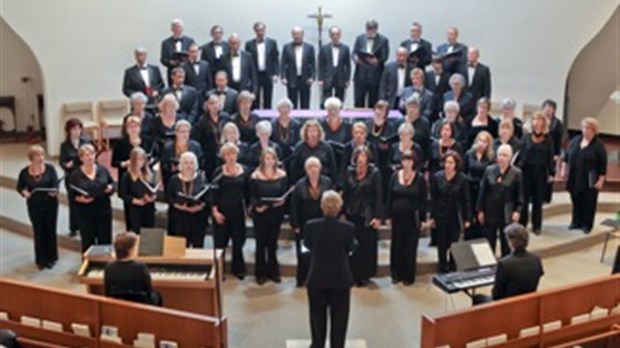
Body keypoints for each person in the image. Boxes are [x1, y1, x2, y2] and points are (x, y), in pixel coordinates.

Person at [304, 190, 356, 348]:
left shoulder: (311, 226)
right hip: (340, 278)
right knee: (340, 319)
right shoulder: (348, 228)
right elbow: (350, 248)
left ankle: (318, 344)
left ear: (322, 207)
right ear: (339, 207)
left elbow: (307, 245)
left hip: (317, 277)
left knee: (317, 317)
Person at [342, 146, 383, 286]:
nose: (361, 160)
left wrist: (378, 217)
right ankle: (352, 274)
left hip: (367, 214)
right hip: (351, 213)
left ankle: (365, 275)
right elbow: (345, 192)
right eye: (359, 156)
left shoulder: (375, 172)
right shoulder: (349, 171)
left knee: (366, 246)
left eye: (364, 156)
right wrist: (342, 213)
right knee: (352, 246)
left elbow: (378, 195)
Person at [290, 157, 334, 287]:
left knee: (322, 253)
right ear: (306, 170)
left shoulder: (327, 182)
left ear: (320, 168)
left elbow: (332, 202)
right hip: (304, 225)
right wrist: (295, 224)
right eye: (310, 167)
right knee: (304, 253)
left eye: (315, 166)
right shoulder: (299, 185)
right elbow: (294, 206)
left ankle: (321, 278)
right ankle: (302, 278)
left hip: (323, 224)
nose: (313, 169)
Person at [386, 150, 427, 285]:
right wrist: (388, 216)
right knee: (396, 245)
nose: (407, 163)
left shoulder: (420, 178)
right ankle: (396, 274)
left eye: (409, 160)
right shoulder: (394, 176)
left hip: (412, 218)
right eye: (404, 160)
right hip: (396, 216)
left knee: (410, 247)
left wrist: (422, 219)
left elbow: (423, 200)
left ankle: (408, 275)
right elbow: (389, 197)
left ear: (414, 162)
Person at [249, 148, 288, 285]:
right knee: (261, 243)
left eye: (272, 158)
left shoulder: (282, 175)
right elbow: (252, 196)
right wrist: (257, 206)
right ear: (262, 160)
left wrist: (276, 204)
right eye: (267, 158)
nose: (270, 161)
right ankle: (260, 273)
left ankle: (273, 272)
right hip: (260, 213)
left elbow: (283, 196)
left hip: (275, 213)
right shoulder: (255, 176)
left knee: (272, 243)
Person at [561, 117, 607, 234]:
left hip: (590, 178)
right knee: (575, 199)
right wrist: (563, 170)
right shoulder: (575, 140)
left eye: (588, 128)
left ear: (594, 130)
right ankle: (576, 221)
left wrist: (601, 180)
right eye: (584, 127)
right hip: (574, 176)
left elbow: (603, 165)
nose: (585, 130)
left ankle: (587, 224)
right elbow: (566, 157)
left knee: (588, 201)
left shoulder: (598, 146)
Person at [112, 116, 158, 231]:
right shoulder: (121, 143)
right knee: (132, 217)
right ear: (126, 129)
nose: (133, 129)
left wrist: (150, 161)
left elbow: (156, 155)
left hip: (144, 174)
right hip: (129, 179)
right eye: (130, 126)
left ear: (140, 128)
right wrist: (124, 164)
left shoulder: (147, 140)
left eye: (136, 126)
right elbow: (114, 162)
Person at [17, 145, 59, 269]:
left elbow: (55, 184)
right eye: (37, 156)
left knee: (50, 230)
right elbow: (19, 187)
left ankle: (51, 258)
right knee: (38, 231)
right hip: (34, 206)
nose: (40, 158)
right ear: (31, 158)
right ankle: (41, 259)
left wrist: (55, 191)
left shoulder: (50, 169)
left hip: (50, 204)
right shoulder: (24, 172)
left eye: (42, 155)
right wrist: (24, 192)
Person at [477, 144, 523, 257]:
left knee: (506, 241)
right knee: (489, 240)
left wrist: (518, 210)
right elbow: (482, 191)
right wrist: (480, 210)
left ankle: (505, 264)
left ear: (510, 157)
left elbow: (520, 194)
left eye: (505, 155)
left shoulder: (517, 173)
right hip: (490, 209)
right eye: (500, 155)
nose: (502, 158)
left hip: (506, 211)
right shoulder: (489, 170)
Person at [211, 143, 249, 280]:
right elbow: (213, 193)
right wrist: (215, 212)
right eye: (228, 154)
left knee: (238, 241)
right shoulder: (218, 172)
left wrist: (248, 209)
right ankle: (219, 271)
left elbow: (247, 191)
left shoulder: (244, 170)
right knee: (220, 243)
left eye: (233, 153)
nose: (231, 157)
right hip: (222, 210)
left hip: (238, 210)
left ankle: (238, 269)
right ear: (223, 156)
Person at [429, 151, 471, 273]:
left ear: (456, 164)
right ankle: (442, 268)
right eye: (446, 162)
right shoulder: (437, 177)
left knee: (454, 243)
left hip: (455, 215)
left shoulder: (462, 178)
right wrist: (432, 217)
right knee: (441, 244)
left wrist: (467, 218)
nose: (448, 165)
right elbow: (433, 198)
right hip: (441, 215)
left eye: (451, 162)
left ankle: (453, 268)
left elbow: (466, 199)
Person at [68, 144, 115, 252]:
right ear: (81, 158)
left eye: (92, 154)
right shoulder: (75, 175)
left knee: (105, 241)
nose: (90, 157)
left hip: (103, 211)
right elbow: (72, 194)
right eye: (86, 155)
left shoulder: (102, 170)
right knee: (88, 242)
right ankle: (90, 266)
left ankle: (105, 265)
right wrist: (81, 199)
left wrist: (110, 188)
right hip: (86, 213)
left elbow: (112, 183)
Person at [517, 112, 555, 234]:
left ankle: (536, 226)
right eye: (534, 120)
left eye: (539, 120)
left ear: (543, 123)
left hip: (540, 172)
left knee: (538, 200)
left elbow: (550, 157)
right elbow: (521, 155)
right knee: (524, 199)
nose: (537, 122)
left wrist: (551, 173)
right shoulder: (526, 137)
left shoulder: (548, 139)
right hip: (526, 171)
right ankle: (522, 224)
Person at [104, 232, 161, 306]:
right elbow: (149, 291)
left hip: (117, 306)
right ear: (130, 250)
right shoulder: (140, 267)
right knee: (158, 296)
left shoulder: (109, 267)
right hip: (140, 306)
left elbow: (107, 293)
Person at [166, 151, 209, 247]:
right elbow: (169, 197)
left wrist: (200, 206)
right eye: (186, 163)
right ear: (181, 164)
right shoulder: (174, 179)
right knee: (180, 247)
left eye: (191, 163)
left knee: (198, 246)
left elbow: (207, 197)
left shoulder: (201, 178)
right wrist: (181, 207)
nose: (189, 166)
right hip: (179, 218)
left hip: (197, 218)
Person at [491, 223, 544, 300]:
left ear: (510, 242)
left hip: (507, 305)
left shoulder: (504, 263)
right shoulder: (536, 259)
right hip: (529, 301)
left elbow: (496, 295)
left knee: (478, 298)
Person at [59, 118, 91, 237]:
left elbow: (93, 158)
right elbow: (61, 162)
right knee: (73, 202)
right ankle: (73, 226)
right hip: (72, 177)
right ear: (69, 130)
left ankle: (85, 224)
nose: (77, 131)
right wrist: (67, 165)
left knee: (86, 200)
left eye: (79, 128)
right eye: (74, 129)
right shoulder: (64, 145)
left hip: (85, 175)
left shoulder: (86, 141)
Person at [463, 131, 495, 239]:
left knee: (481, 216)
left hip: (483, 190)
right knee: (469, 214)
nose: (481, 143)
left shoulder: (490, 158)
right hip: (470, 188)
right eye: (480, 140)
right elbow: (464, 170)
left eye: (484, 141)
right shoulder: (469, 154)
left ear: (488, 144)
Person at [119, 147, 158, 235]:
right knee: (137, 233)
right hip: (135, 209)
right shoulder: (127, 176)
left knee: (149, 233)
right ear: (133, 160)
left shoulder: (150, 173)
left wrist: (153, 197)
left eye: (143, 158)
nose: (141, 161)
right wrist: (135, 201)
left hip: (149, 207)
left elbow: (153, 189)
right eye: (138, 159)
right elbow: (122, 194)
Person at [191, 95, 231, 179]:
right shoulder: (202, 121)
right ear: (208, 106)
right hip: (209, 155)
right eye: (212, 103)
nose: (215, 106)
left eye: (216, 103)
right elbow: (196, 138)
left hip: (224, 152)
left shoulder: (226, 118)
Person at [352, 20, 390, 108]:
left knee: (373, 101)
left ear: (376, 29)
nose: (369, 31)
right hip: (360, 75)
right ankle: (358, 120)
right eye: (367, 29)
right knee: (358, 100)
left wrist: (377, 60)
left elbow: (385, 56)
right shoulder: (360, 38)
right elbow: (354, 52)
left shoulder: (383, 40)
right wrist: (355, 58)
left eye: (371, 29)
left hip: (375, 75)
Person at [291, 119, 338, 184]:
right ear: (306, 133)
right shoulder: (299, 147)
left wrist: (335, 184)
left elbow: (333, 168)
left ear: (319, 132)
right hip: (303, 182)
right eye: (310, 131)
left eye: (314, 131)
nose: (312, 134)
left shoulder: (326, 147)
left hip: (324, 181)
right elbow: (294, 168)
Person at [245, 22, 280, 109]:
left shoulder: (272, 43)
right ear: (255, 31)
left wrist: (276, 74)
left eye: (262, 30)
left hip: (268, 74)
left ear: (265, 30)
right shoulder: (249, 44)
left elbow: (275, 59)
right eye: (258, 30)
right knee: (255, 97)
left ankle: (267, 118)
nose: (260, 32)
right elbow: (247, 61)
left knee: (268, 97)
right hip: (255, 74)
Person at [160, 120, 203, 190]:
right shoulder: (168, 148)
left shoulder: (195, 146)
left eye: (187, 132)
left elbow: (200, 164)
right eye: (182, 132)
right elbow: (164, 165)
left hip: (191, 179)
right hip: (173, 180)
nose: (185, 134)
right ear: (176, 133)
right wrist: (172, 168)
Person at [281, 26, 316, 109]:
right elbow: (282, 63)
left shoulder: (310, 47)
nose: (297, 36)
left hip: (306, 79)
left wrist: (312, 77)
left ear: (302, 35)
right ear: (292, 35)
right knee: (292, 104)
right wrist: (283, 77)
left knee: (305, 103)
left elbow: (313, 64)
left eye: (299, 34)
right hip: (291, 78)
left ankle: (305, 120)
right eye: (295, 34)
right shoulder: (286, 47)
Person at [318, 26, 351, 106]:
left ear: (340, 35)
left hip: (340, 77)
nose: (335, 36)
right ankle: (324, 117)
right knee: (325, 99)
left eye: (337, 34)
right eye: (333, 34)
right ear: (330, 36)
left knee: (340, 99)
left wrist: (347, 79)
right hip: (327, 77)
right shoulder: (324, 48)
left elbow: (348, 65)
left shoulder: (345, 48)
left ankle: (339, 117)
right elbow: (320, 65)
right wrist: (320, 79)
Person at [542, 99, 564, 203]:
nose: (548, 110)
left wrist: (557, 154)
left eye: (551, 108)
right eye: (546, 107)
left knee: (550, 173)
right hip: (540, 151)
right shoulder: (539, 120)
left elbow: (559, 140)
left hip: (552, 152)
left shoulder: (557, 123)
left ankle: (547, 196)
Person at [160, 18, 195, 84]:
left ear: (182, 28)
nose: (178, 29)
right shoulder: (165, 43)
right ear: (172, 29)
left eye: (179, 27)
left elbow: (194, 55)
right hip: (173, 71)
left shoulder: (190, 41)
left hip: (187, 71)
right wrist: (171, 62)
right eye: (175, 27)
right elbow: (163, 59)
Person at [270, 97, 301, 163]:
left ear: (290, 110)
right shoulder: (272, 124)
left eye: (287, 107)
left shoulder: (296, 124)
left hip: (292, 153)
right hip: (276, 152)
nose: (285, 110)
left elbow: (298, 140)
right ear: (278, 109)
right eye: (283, 107)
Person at [425, 55, 451, 123]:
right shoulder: (427, 75)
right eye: (435, 63)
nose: (437, 65)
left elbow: (448, 91)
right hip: (430, 104)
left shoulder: (447, 76)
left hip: (441, 104)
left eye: (439, 63)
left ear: (442, 64)